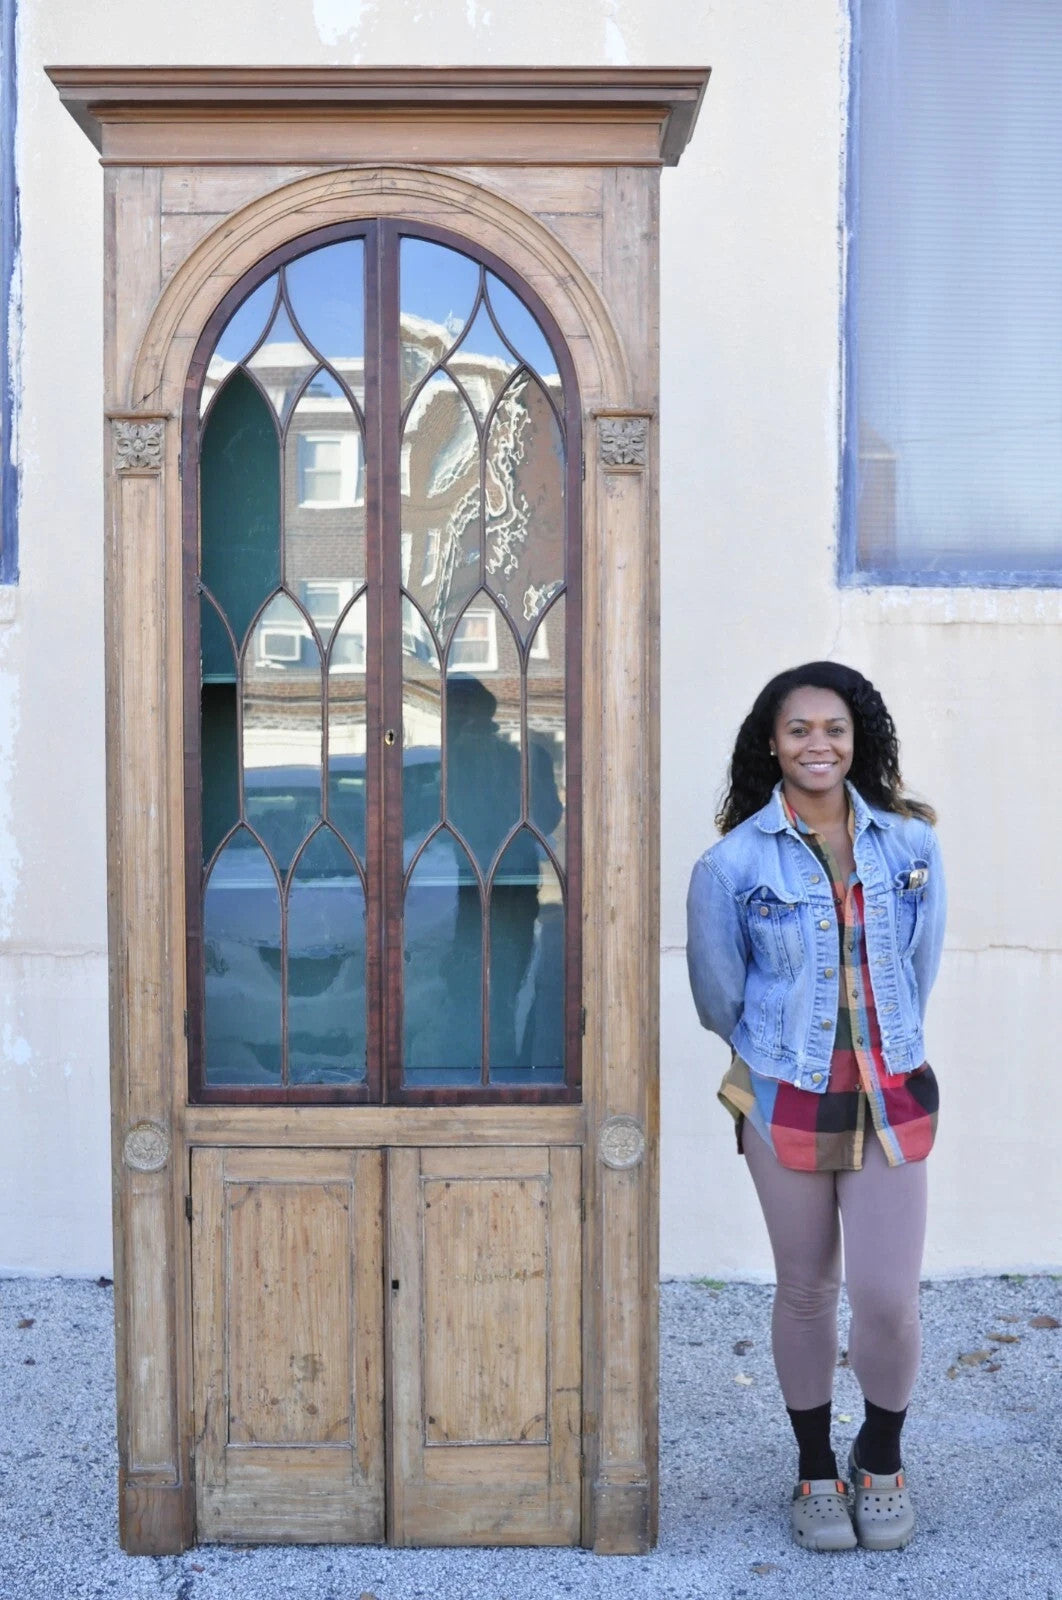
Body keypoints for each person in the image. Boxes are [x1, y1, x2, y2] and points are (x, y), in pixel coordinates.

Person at [686, 661, 945, 1554]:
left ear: (857, 738)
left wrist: (884, 1046)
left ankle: (880, 1456)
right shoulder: (731, 864)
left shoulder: (911, 847)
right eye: (798, 729)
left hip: (887, 1090)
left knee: (886, 1297)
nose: (817, 744)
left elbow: (919, 968)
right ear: (772, 742)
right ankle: (811, 1468)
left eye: (833, 728)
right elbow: (719, 996)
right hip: (785, 1094)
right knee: (804, 1290)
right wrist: (780, 1054)